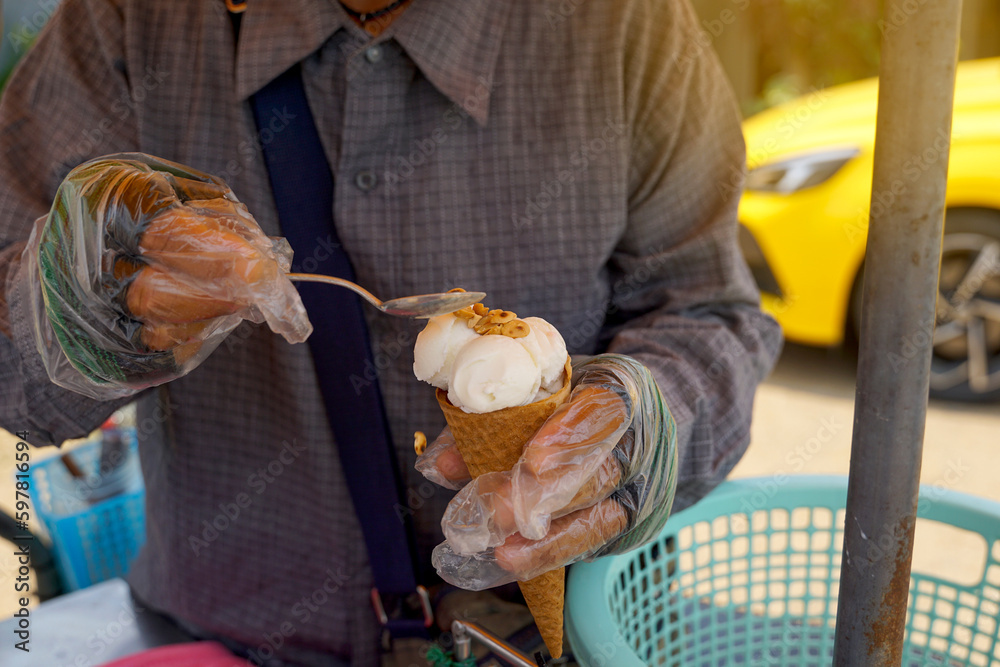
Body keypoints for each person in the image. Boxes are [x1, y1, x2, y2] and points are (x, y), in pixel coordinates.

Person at [0, 0, 782, 664]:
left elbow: (712, 314)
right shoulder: (127, 22)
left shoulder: (627, 25)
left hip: (552, 638)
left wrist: (643, 425)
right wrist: (76, 307)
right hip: (228, 634)